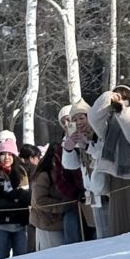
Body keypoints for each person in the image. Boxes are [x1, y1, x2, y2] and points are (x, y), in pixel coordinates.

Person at [88, 86, 130, 234]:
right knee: (120, 220)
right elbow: (93, 117)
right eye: (118, 97)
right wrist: (108, 97)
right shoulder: (108, 125)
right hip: (117, 177)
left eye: (125, 97)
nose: (121, 100)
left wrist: (123, 112)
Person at [0, 133, 31, 259]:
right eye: (3, 154)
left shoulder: (21, 172)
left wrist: (14, 195)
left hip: (20, 224)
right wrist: (16, 201)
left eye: (10, 154)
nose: (7, 157)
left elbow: (27, 197)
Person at [59, 101, 96, 239]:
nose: (79, 122)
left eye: (82, 118)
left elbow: (101, 155)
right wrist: (68, 149)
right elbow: (70, 166)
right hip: (90, 193)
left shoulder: (98, 132)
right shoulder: (74, 136)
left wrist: (87, 146)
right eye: (75, 120)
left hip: (105, 190)